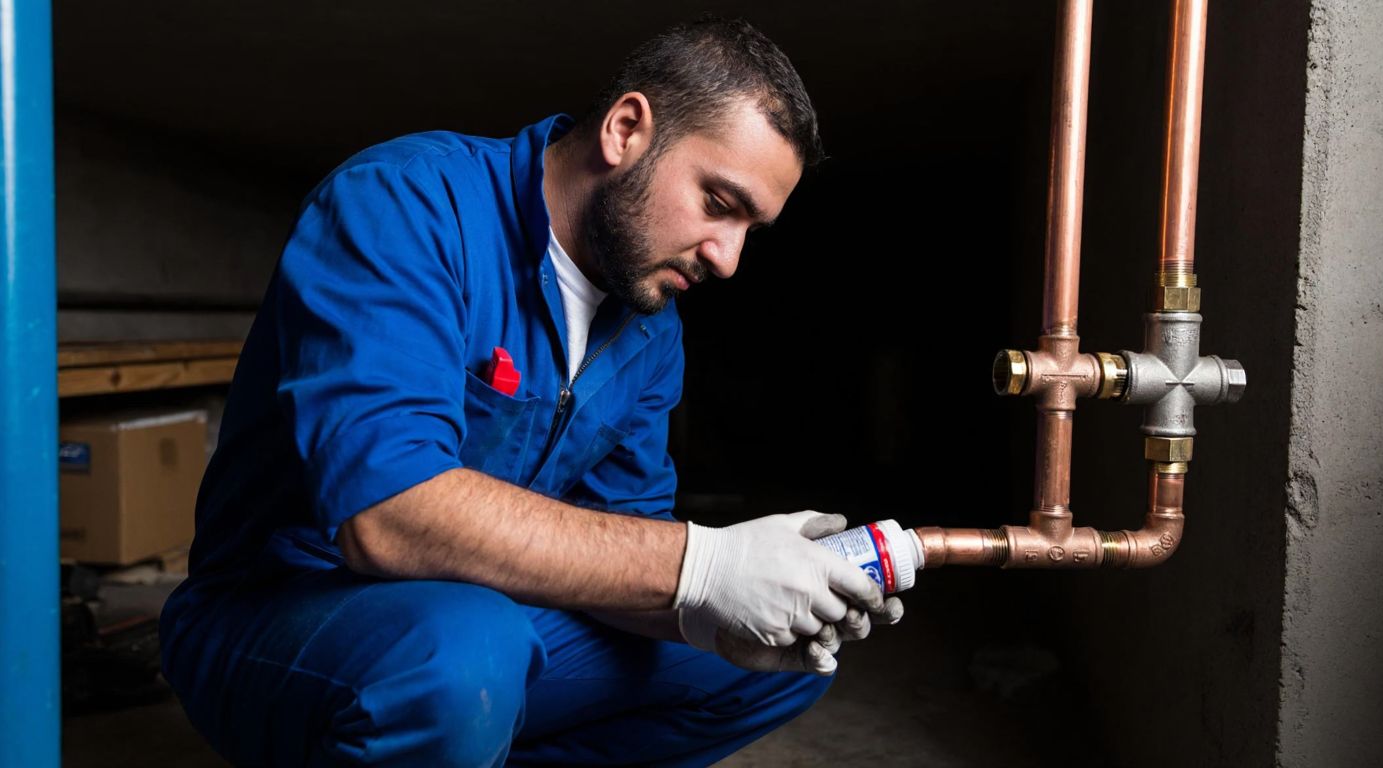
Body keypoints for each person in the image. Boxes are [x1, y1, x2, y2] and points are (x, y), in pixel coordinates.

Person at [159, 17, 901, 767]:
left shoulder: (650, 328)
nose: (729, 258)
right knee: (469, 650)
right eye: (718, 202)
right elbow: (386, 516)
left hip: (488, 623)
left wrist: (718, 609)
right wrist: (703, 566)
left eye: (752, 228)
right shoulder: (408, 205)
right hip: (278, 616)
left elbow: (620, 548)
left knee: (765, 664)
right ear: (626, 130)